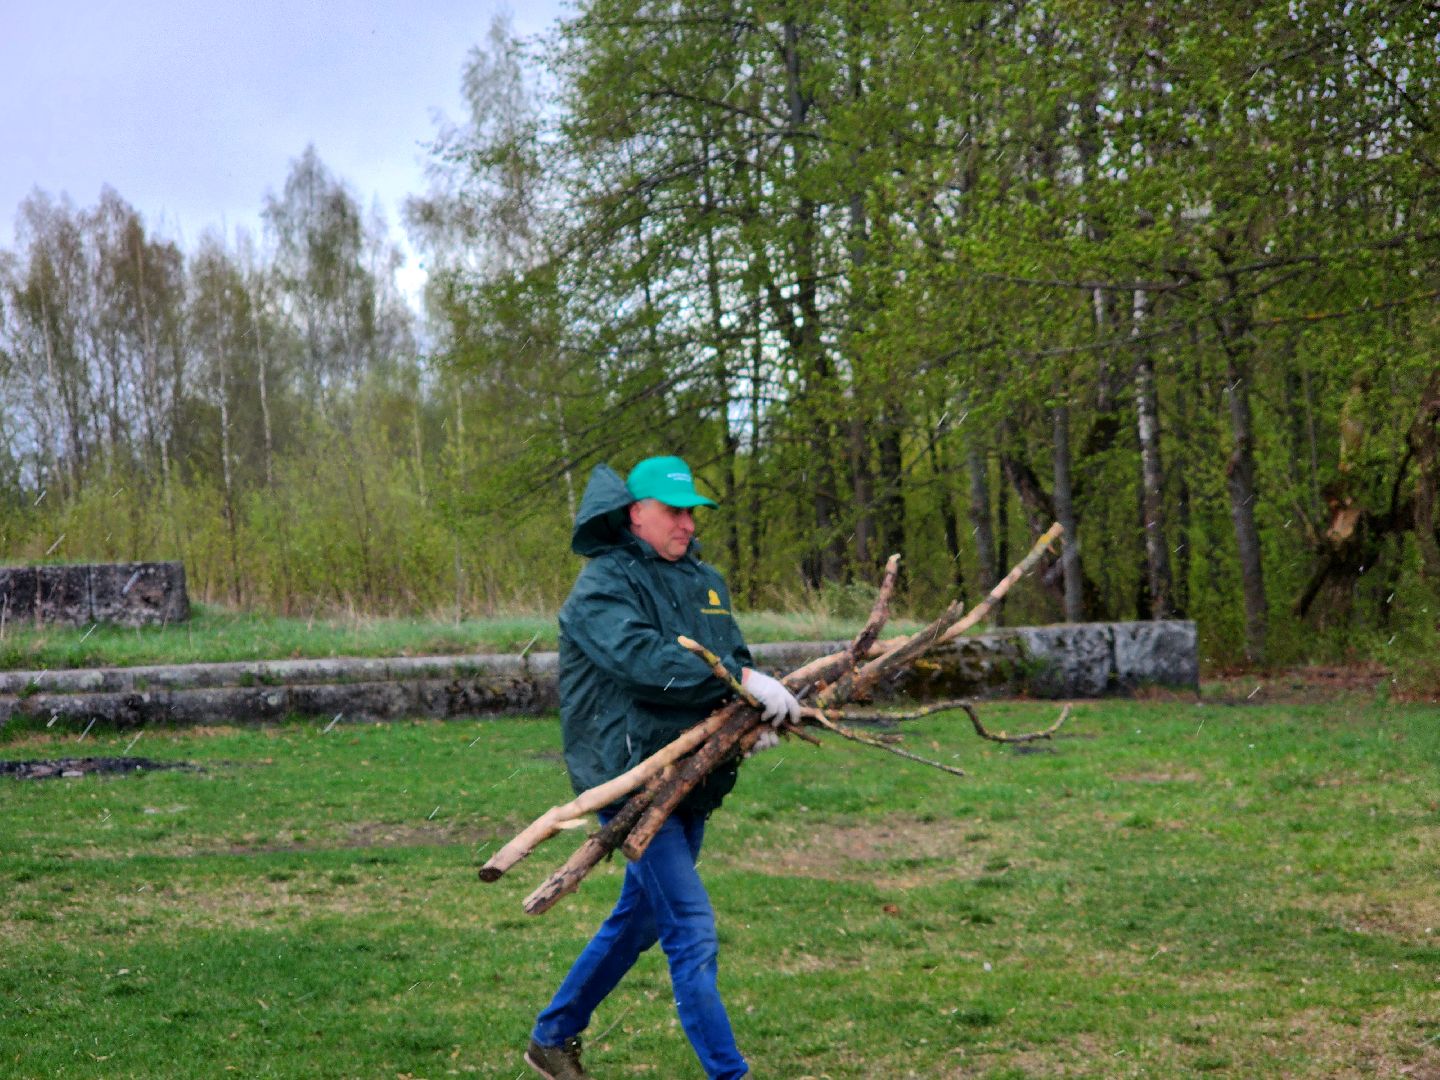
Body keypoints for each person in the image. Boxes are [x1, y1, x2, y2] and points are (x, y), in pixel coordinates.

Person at [525, 455, 801, 1080]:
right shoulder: (603, 585)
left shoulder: (705, 582)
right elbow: (645, 661)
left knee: (643, 916)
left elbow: (732, 658)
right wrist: (741, 680)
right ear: (636, 513)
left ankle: (552, 1035)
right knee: (692, 931)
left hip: (691, 773)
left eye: (693, 513)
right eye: (674, 511)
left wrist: (747, 723)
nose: (687, 524)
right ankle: (730, 1074)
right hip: (627, 777)